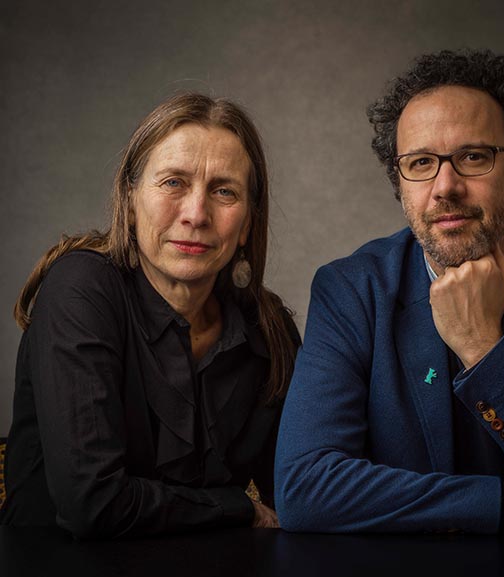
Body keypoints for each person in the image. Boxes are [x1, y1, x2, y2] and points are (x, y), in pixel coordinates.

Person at [274, 49, 504, 534]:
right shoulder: (351, 291)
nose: (444, 186)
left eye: (474, 156)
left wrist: (482, 346)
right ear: (401, 184)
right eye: (421, 162)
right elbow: (305, 491)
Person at [1, 92, 300, 538]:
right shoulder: (81, 288)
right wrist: (235, 508)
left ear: (248, 225)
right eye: (173, 183)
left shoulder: (267, 326)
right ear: (131, 199)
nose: (196, 215)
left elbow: (298, 495)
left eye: (224, 191)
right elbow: (92, 502)